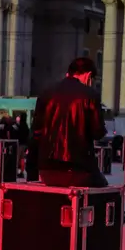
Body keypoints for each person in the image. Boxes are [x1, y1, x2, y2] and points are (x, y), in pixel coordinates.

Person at [31, 57, 108, 188]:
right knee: (104, 190)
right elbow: (98, 132)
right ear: (89, 75)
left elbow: (36, 131)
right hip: (78, 170)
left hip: (46, 170)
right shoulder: (90, 95)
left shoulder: (46, 93)